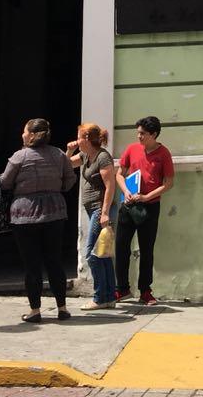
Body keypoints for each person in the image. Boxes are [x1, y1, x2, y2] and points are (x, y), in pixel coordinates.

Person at [0, 117, 76, 322]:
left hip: (24, 216)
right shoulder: (59, 154)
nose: (22, 134)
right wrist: (56, 189)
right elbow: (70, 179)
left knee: (32, 265)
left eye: (25, 131)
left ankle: (35, 311)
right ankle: (62, 308)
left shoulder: (19, 156)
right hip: (55, 213)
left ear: (32, 135)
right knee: (55, 261)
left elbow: (5, 182)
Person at [114, 115, 174, 306]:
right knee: (121, 246)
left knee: (146, 249)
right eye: (138, 133)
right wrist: (126, 191)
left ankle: (145, 291)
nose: (139, 136)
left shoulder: (163, 153)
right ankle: (122, 288)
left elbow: (168, 183)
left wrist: (147, 197)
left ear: (153, 134)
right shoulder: (132, 149)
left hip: (150, 206)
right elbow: (119, 174)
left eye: (143, 134)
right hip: (129, 204)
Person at [66, 123, 117, 310]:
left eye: (79, 137)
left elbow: (110, 186)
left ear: (87, 139)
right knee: (102, 254)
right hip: (93, 209)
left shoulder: (102, 157)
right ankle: (109, 297)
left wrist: (104, 213)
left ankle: (99, 297)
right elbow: (66, 166)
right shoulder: (86, 155)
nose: (77, 140)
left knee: (92, 254)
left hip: (100, 209)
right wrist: (69, 151)